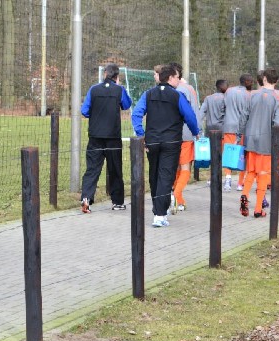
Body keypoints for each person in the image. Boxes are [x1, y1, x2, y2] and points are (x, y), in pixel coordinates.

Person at [131, 65, 200, 227]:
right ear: (170, 78)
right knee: (166, 176)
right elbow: (189, 116)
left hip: (152, 141)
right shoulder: (177, 96)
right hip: (171, 142)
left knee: (154, 175)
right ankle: (160, 214)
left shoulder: (148, 94)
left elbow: (136, 114)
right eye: (177, 77)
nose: (178, 80)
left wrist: (141, 134)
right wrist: (195, 131)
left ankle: (158, 207)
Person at [80, 63, 132, 213]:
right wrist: (121, 88)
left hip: (95, 135)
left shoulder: (93, 89)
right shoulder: (119, 90)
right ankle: (117, 202)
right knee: (115, 169)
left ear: (104, 74)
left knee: (92, 168)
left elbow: (84, 111)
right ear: (117, 77)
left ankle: (86, 198)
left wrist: (96, 115)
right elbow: (127, 105)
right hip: (113, 136)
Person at [238, 68, 279, 218]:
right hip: (266, 141)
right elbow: (278, 124)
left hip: (251, 139)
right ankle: (258, 209)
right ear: (276, 81)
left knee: (251, 171)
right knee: (263, 173)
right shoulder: (277, 98)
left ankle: (244, 194)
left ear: (264, 79)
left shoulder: (252, 95)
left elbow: (243, 117)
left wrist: (241, 135)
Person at [170, 62, 201, 213]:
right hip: (188, 133)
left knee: (184, 167)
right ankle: (179, 198)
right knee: (182, 165)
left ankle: (175, 194)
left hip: (182, 133)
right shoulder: (190, 88)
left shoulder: (179, 90)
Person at [222, 74, 254, 191]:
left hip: (229, 126)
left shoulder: (229, 91)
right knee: (242, 155)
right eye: (251, 81)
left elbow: (224, 105)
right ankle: (241, 183)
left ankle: (228, 180)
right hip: (242, 128)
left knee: (228, 153)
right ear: (247, 82)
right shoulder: (249, 95)